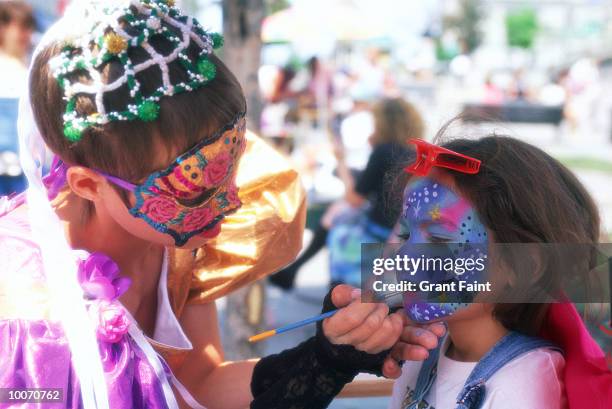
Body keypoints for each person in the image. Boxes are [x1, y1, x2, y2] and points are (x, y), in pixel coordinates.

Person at [0, 2, 441, 408]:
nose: (229, 204)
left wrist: (329, 353)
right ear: (87, 184)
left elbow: (200, 384)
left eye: (231, 170)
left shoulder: (178, 243)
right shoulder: (26, 315)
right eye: (190, 189)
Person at [388, 136, 612, 408]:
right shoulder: (420, 354)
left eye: (439, 239)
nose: (405, 256)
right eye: (405, 234)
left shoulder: (524, 380)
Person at [270, 97, 425, 289]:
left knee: (336, 215)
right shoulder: (415, 154)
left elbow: (354, 199)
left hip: (376, 234)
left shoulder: (384, 151)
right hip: (403, 235)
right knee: (337, 213)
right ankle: (294, 270)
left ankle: (299, 271)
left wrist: (341, 160)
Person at [0, 0, 35, 98]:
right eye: (22, 27)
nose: (27, 34)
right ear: (3, 29)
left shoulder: (29, 64)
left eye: (30, 27)